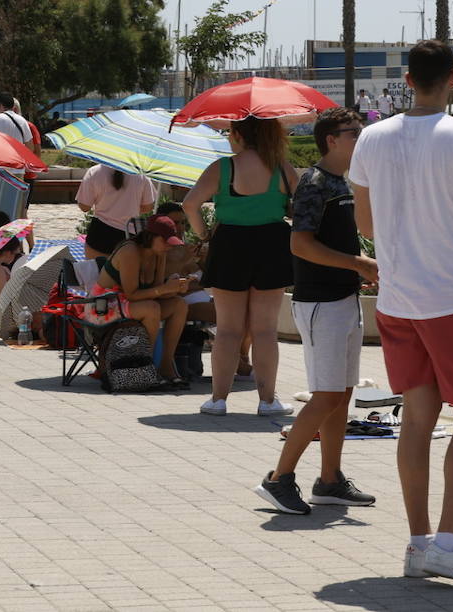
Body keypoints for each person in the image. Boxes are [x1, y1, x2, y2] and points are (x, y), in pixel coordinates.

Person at [349, 40, 453, 587]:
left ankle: (421, 542)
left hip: (398, 301)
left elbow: (368, 228)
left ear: (407, 78)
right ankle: (449, 541)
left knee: (418, 422)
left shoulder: (370, 138)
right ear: (452, 77)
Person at [256, 108, 379, 515]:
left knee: (341, 396)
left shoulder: (342, 183)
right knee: (325, 395)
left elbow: (337, 241)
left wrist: (360, 262)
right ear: (332, 139)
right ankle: (278, 479)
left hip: (343, 299)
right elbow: (301, 245)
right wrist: (358, 264)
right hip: (321, 303)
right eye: (354, 133)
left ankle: (329, 481)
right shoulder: (313, 183)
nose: (361, 138)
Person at [184, 116, 298, 415]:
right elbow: (304, 208)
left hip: (230, 244)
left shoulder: (223, 167)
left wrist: (203, 233)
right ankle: (267, 401)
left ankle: (218, 400)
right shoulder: (282, 168)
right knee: (265, 331)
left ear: (237, 133)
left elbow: (190, 204)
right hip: (272, 244)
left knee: (227, 329)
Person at [93, 215, 191, 384]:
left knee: (179, 305)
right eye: (166, 241)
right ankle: (147, 366)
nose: (169, 246)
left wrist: (174, 289)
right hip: (102, 306)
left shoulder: (160, 253)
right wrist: (164, 289)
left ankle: (166, 364)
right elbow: (132, 294)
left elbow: (157, 291)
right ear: (150, 236)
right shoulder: (130, 251)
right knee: (151, 308)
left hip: (129, 304)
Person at [76, 164, 156, 259]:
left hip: (99, 234)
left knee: (95, 272)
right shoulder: (141, 175)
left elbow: (84, 207)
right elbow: (148, 207)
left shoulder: (94, 172)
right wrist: (129, 208)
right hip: (128, 237)